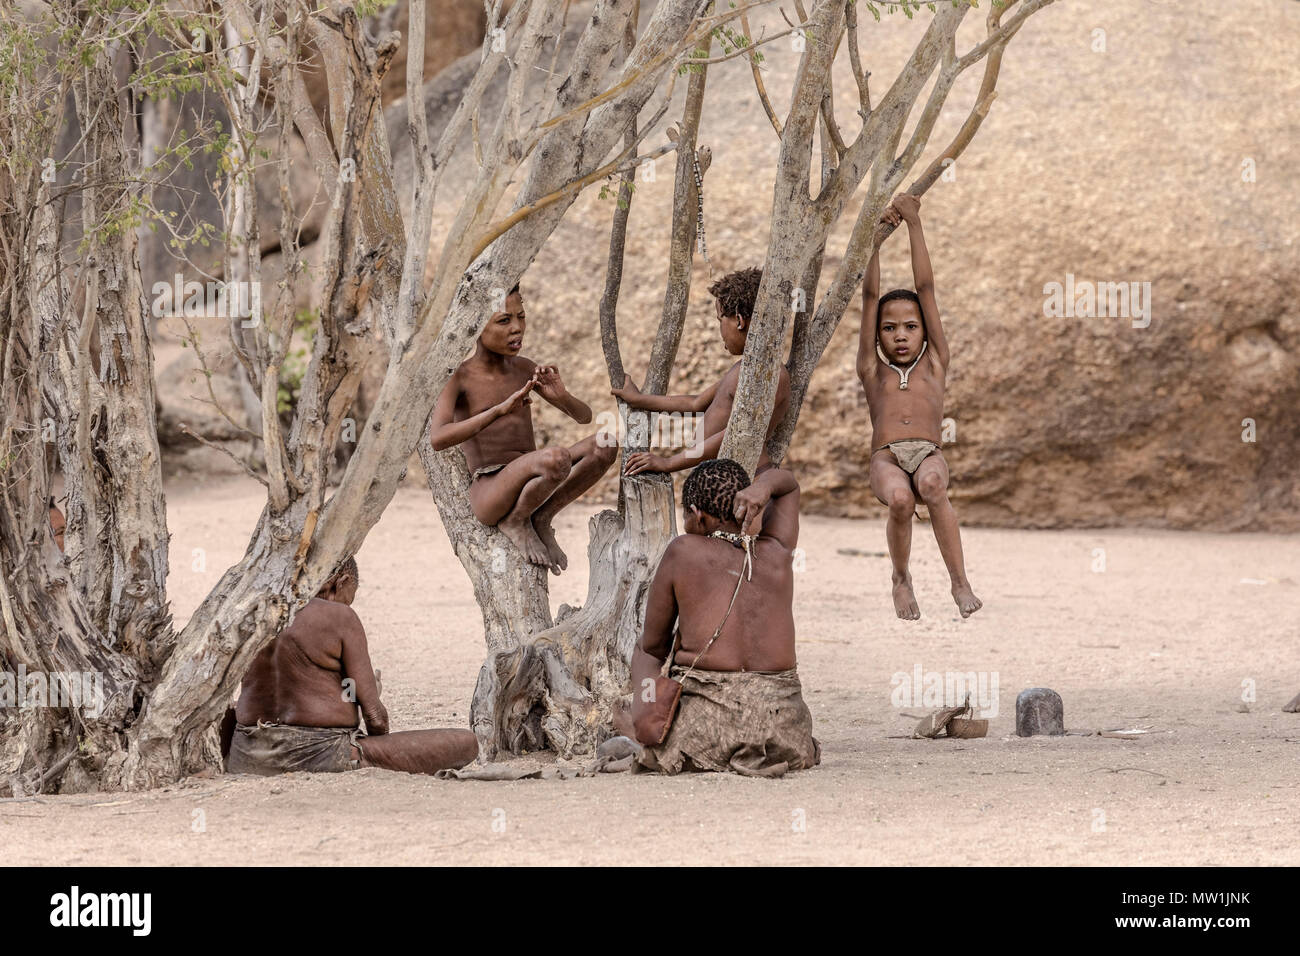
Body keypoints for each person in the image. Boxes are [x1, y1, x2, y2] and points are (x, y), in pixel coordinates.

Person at [622, 458, 819, 777]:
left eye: (685, 513)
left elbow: (653, 647)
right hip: (785, 735)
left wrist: (644, 715)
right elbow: (790, 485)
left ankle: (646, 726)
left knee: (641, 660)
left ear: (696, 515)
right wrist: (763, 487)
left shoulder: (683, 550)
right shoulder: (778, 552)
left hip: (708, 735)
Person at [224, 557, 478, 776]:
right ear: (340, 582)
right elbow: (376, 719)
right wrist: (370, 695)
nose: (347, 605)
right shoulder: (339, 617)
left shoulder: (253, 609)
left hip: (246, 752)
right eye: (349, 598)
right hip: (323, 754)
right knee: (466, 743)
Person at [428, 282, 616, 574]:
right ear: (477, 326)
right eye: (504, 320)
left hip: (534, 475)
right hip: (491, 488)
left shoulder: (524, 368)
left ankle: (541, 517)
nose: (517, 328)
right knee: (556, 458)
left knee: (605, 444)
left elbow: (584, 417)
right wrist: (498, 411)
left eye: (521, 316)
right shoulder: (460, 377)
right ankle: (514, 520)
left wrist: (562, 397)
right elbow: (438, 438)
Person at [857, 194, 981, 620]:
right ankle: (901, 579)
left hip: (927, 452)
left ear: (925, 331)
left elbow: (926, 289)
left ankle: (959, 582)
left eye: (911, 326)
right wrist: (873, 242)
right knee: (899, 500)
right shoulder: (872, 368)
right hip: (886, 458)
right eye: (890, 328)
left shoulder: (935, 362)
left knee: (930, 485)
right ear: (878, 336)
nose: (901, 335)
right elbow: (870, 296)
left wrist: (913, 223)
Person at [612, 267, 790, 476]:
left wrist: (669, 463)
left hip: (734, 480)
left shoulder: (766, 377)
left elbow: (736, 434)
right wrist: (638, 400)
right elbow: (695, 404)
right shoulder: (744, 369)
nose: (719, 330)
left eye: (720, 320)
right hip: (716, 474)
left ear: (739, 321)